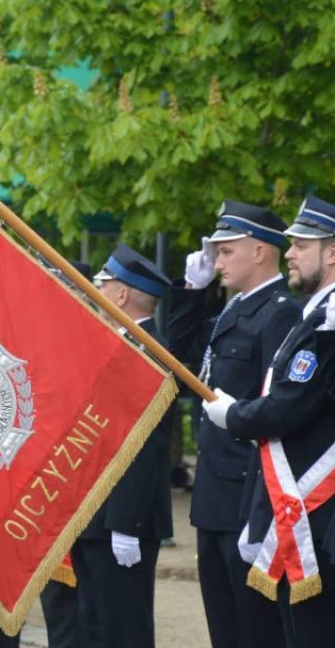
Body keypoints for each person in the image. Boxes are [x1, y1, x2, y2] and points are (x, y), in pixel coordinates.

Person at [204, 196, 335, 647]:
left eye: (301, 244)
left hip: (315, 511)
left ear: (331, 252)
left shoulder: (326, 323)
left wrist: (233, 415)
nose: (291, 253)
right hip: (291, 505)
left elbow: (288, 406)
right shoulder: (315, 316)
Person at [169, 200, 297, 648]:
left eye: (225, 251)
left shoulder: (280, 311)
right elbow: (180, 362)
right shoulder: (233, 309)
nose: (216, 261)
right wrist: (190, 289)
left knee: (254, 632)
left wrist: (257, 513)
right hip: (214, 498)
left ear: (260, 252)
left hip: (247, 498)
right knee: (224, 629)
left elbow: (279, 410)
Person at [71, 243, 173, 648]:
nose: (97, 294)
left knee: (123, 630)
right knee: (94, 626)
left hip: (120, 520)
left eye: (102, 285)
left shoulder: (147, 351)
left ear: (122, 294)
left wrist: (124, 524)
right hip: (94, 515)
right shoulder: (117, 344)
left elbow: (141, 445)